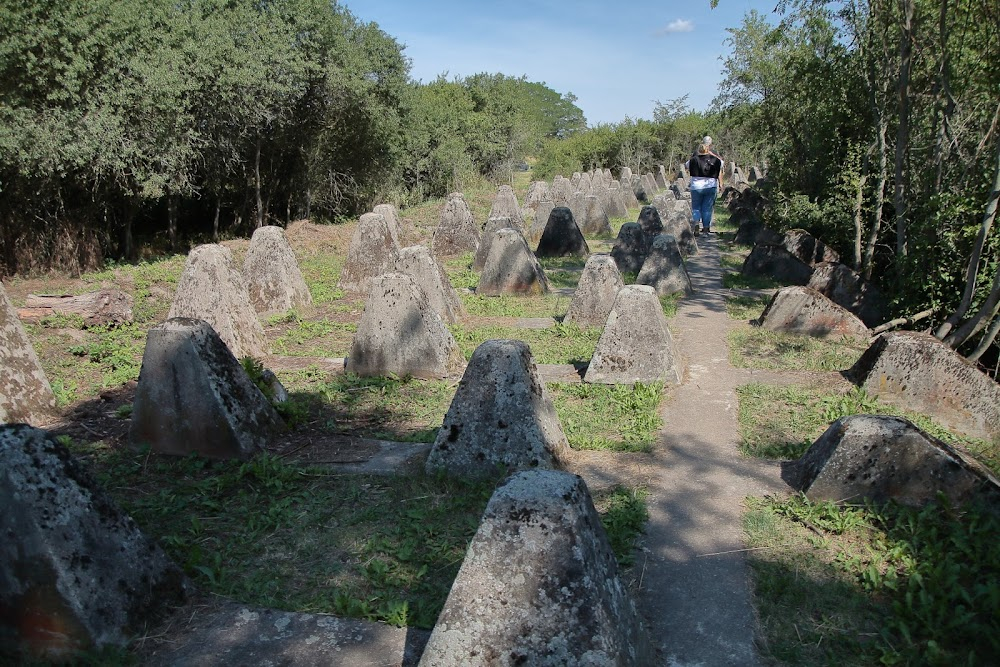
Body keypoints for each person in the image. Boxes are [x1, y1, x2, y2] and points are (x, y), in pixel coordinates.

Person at [687, 137, 724, 234]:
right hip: (710, 185)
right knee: (707, 208)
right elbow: (722, 163)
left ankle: (696, 223)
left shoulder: (694, 160)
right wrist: (711, 155)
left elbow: (687, 165)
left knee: (696, 207)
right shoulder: (715, 160)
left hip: (696, 186)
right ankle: (706, 227)